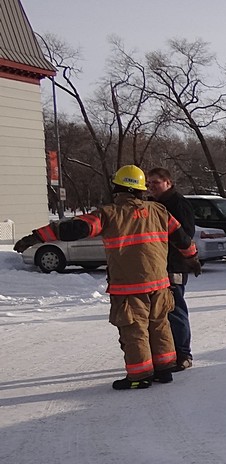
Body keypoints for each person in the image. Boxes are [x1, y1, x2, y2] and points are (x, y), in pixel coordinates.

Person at [13, 165, 201, 390]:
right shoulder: (159, 211)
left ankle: (139, 376)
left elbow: (75, 228)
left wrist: (37, 236)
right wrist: (192, 259)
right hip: (160, 284)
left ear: (117, 188)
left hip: (129, 287)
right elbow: (182, 239)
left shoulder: (108, 214)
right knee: (159, 325)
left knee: (134, 330)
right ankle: (164, 370)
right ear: (141, 189)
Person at [147, 167, 196, 372]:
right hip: (156, 266)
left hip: (174, 266)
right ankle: (165, 353)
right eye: (149, 184)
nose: (151, 187)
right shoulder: (153, 205)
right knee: (159, 313)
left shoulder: (178, 203)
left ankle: (184, 354)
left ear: (168, 182)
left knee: (175, 310)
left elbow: (186, 235)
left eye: (156, 183)